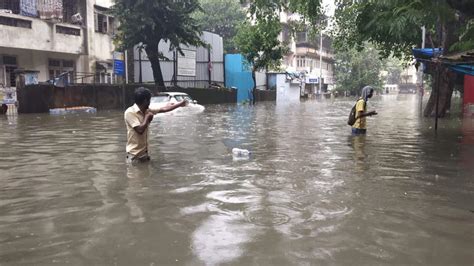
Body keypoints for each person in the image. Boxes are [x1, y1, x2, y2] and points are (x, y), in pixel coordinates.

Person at [124, 87, 187, 163]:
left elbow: (164, 109)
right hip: (134, 156)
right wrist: (147, 118)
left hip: (145, 154)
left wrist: (180, 104)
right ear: (145, 101)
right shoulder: (130, 112)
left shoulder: (146, 110)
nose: (150, 102)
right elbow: (140, 130)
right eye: (149, 100)